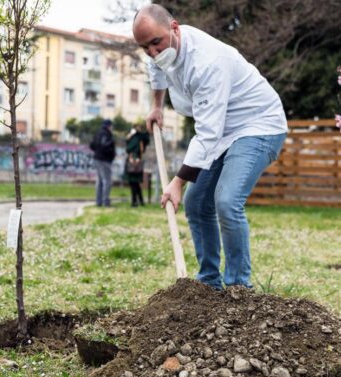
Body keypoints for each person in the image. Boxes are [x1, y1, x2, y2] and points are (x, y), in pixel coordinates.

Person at [133, 5, 288, 290]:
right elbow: (156, 73)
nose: (153, 52)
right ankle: (209, 285)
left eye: (156, 43)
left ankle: (239, 287)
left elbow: (206, 134)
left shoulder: (207, 62)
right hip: (222, 129)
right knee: (197, 203)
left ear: (175, 28)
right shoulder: (158, 54)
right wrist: (156, 107)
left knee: (227, 201)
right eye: (145, 48)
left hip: (258, 124)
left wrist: (177, 182)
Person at [89, 119, 116, 207]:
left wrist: (98, 151)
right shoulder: (106, 134)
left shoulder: (98, 133)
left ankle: (98, 201)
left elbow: (92, 145)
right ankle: (105, 201)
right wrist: (111, 149)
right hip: (104, 160)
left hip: (97, 158)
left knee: (100, 181)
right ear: (109, 126)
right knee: (106, 181)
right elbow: (104, 145)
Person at [124, 124, 150, 207]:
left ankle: (135, 202)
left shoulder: (140, 137)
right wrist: (130, 134)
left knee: (135, 182)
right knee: (133, 183)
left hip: (136, 161)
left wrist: (141, 132)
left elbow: (146, 139)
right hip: (131, 161)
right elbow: (127, 146)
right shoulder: (131, 136)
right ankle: (140, 201)